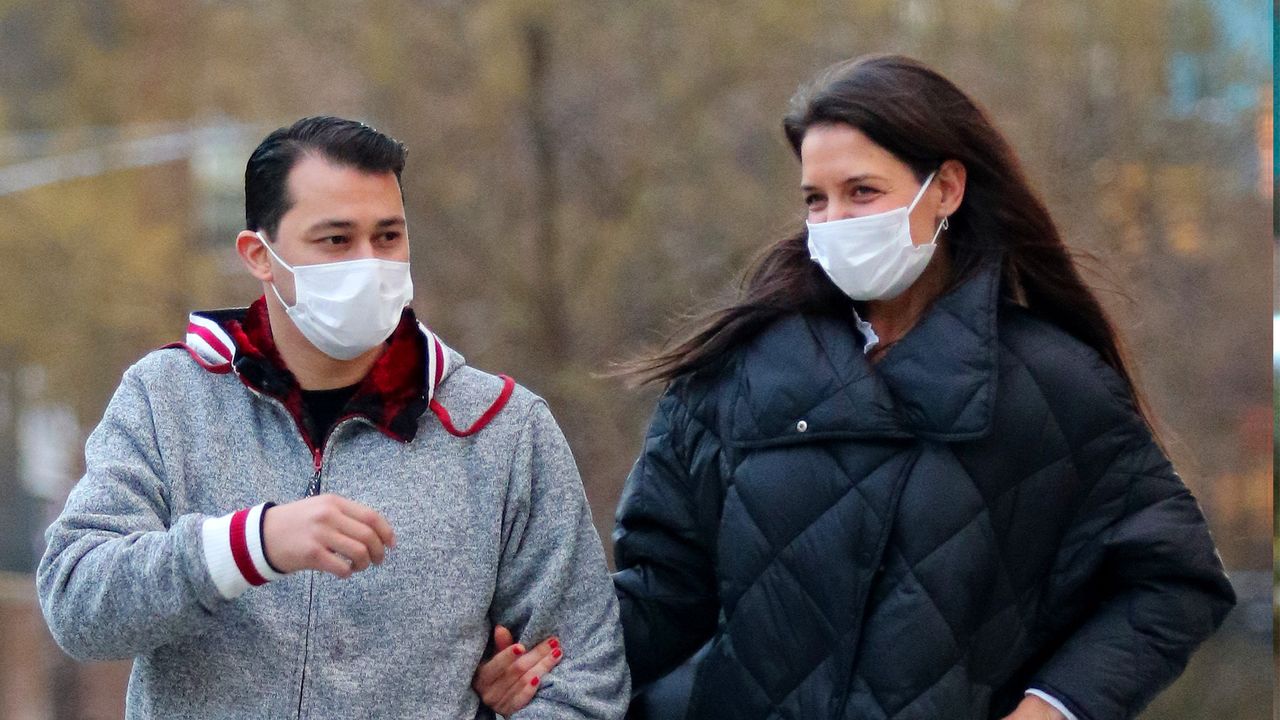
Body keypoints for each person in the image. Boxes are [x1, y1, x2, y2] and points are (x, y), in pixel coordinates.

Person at [474, 55, 1235, 719]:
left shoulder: (1052, 384)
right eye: (815, 198)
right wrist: (542, 658)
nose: (833, 220)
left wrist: (1051, 710)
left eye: (861, 192)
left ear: (946, 189)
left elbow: (1174, 583)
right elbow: (662, 595)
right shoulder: (737, 371)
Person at [37, 116, 629, 719]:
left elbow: (586, 678)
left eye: (389, 236)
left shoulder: (502, 428)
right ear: (259, 256)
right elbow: (77, 604)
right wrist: (248, 546)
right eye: (336, 240)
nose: (369, 263)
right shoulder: (167, 396)